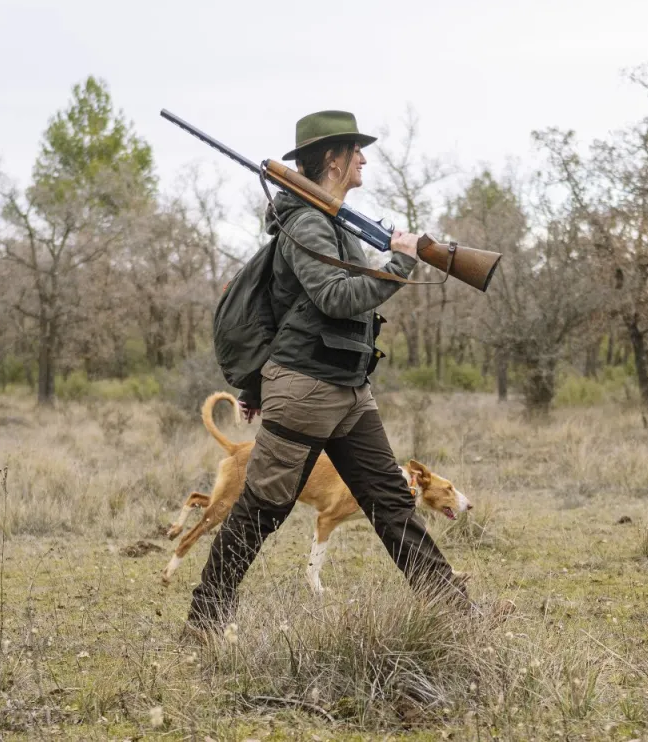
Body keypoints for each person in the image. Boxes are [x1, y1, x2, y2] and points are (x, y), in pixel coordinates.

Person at [186, 110, 469, 632]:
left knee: (390, 500)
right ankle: (204, 619)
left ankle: (458, 612)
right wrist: (401, 264)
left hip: (345, 386)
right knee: (262, 508)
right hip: (307, 386)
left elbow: (291, 308)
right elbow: (335, 298)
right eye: (356, 150)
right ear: (334, 158)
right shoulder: (308, 222)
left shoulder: (334, 220)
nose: (363, 158)